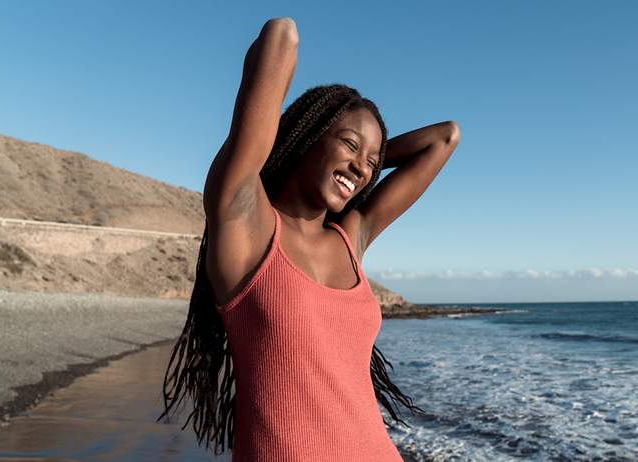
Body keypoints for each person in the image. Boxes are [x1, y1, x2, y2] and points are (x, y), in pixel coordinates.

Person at [158, 17, 461, 461]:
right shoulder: (245, 221)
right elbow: (281, 36)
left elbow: (444, 138)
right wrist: (303, 137)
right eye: (349, 144)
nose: (362, 167)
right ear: (309, 136)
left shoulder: (349, 239)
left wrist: (362, 158)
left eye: (372, 163)